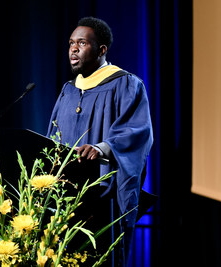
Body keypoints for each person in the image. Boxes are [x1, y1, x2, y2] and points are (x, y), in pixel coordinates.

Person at [47, 17, 153, 266]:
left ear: (101, 49)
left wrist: (101, 148)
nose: (73, 48)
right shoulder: (68, 91)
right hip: (66, 201)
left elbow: (136, 132)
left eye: (82, 43)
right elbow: (53, 139)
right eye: (71, 43)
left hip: (104, 200)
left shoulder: (126, 84)